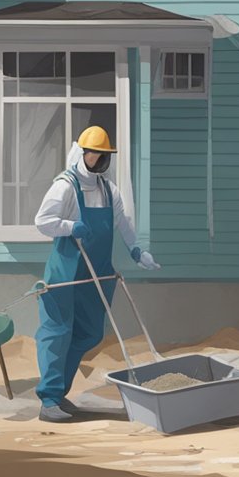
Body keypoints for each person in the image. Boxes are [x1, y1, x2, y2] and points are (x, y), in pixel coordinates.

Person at [33, 125, 161, 423]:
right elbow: (42, 221)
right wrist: (69, 226)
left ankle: (60, 392)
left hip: (97, 273)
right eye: (95, 154)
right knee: (57, 334)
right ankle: (49, 398)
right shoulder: (65, 186)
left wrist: (136, 251)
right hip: (66, 272)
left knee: (89, 333)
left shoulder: (107, 189)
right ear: (83, 153)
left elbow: (123, 222)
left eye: (105, 156)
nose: (100, 160)